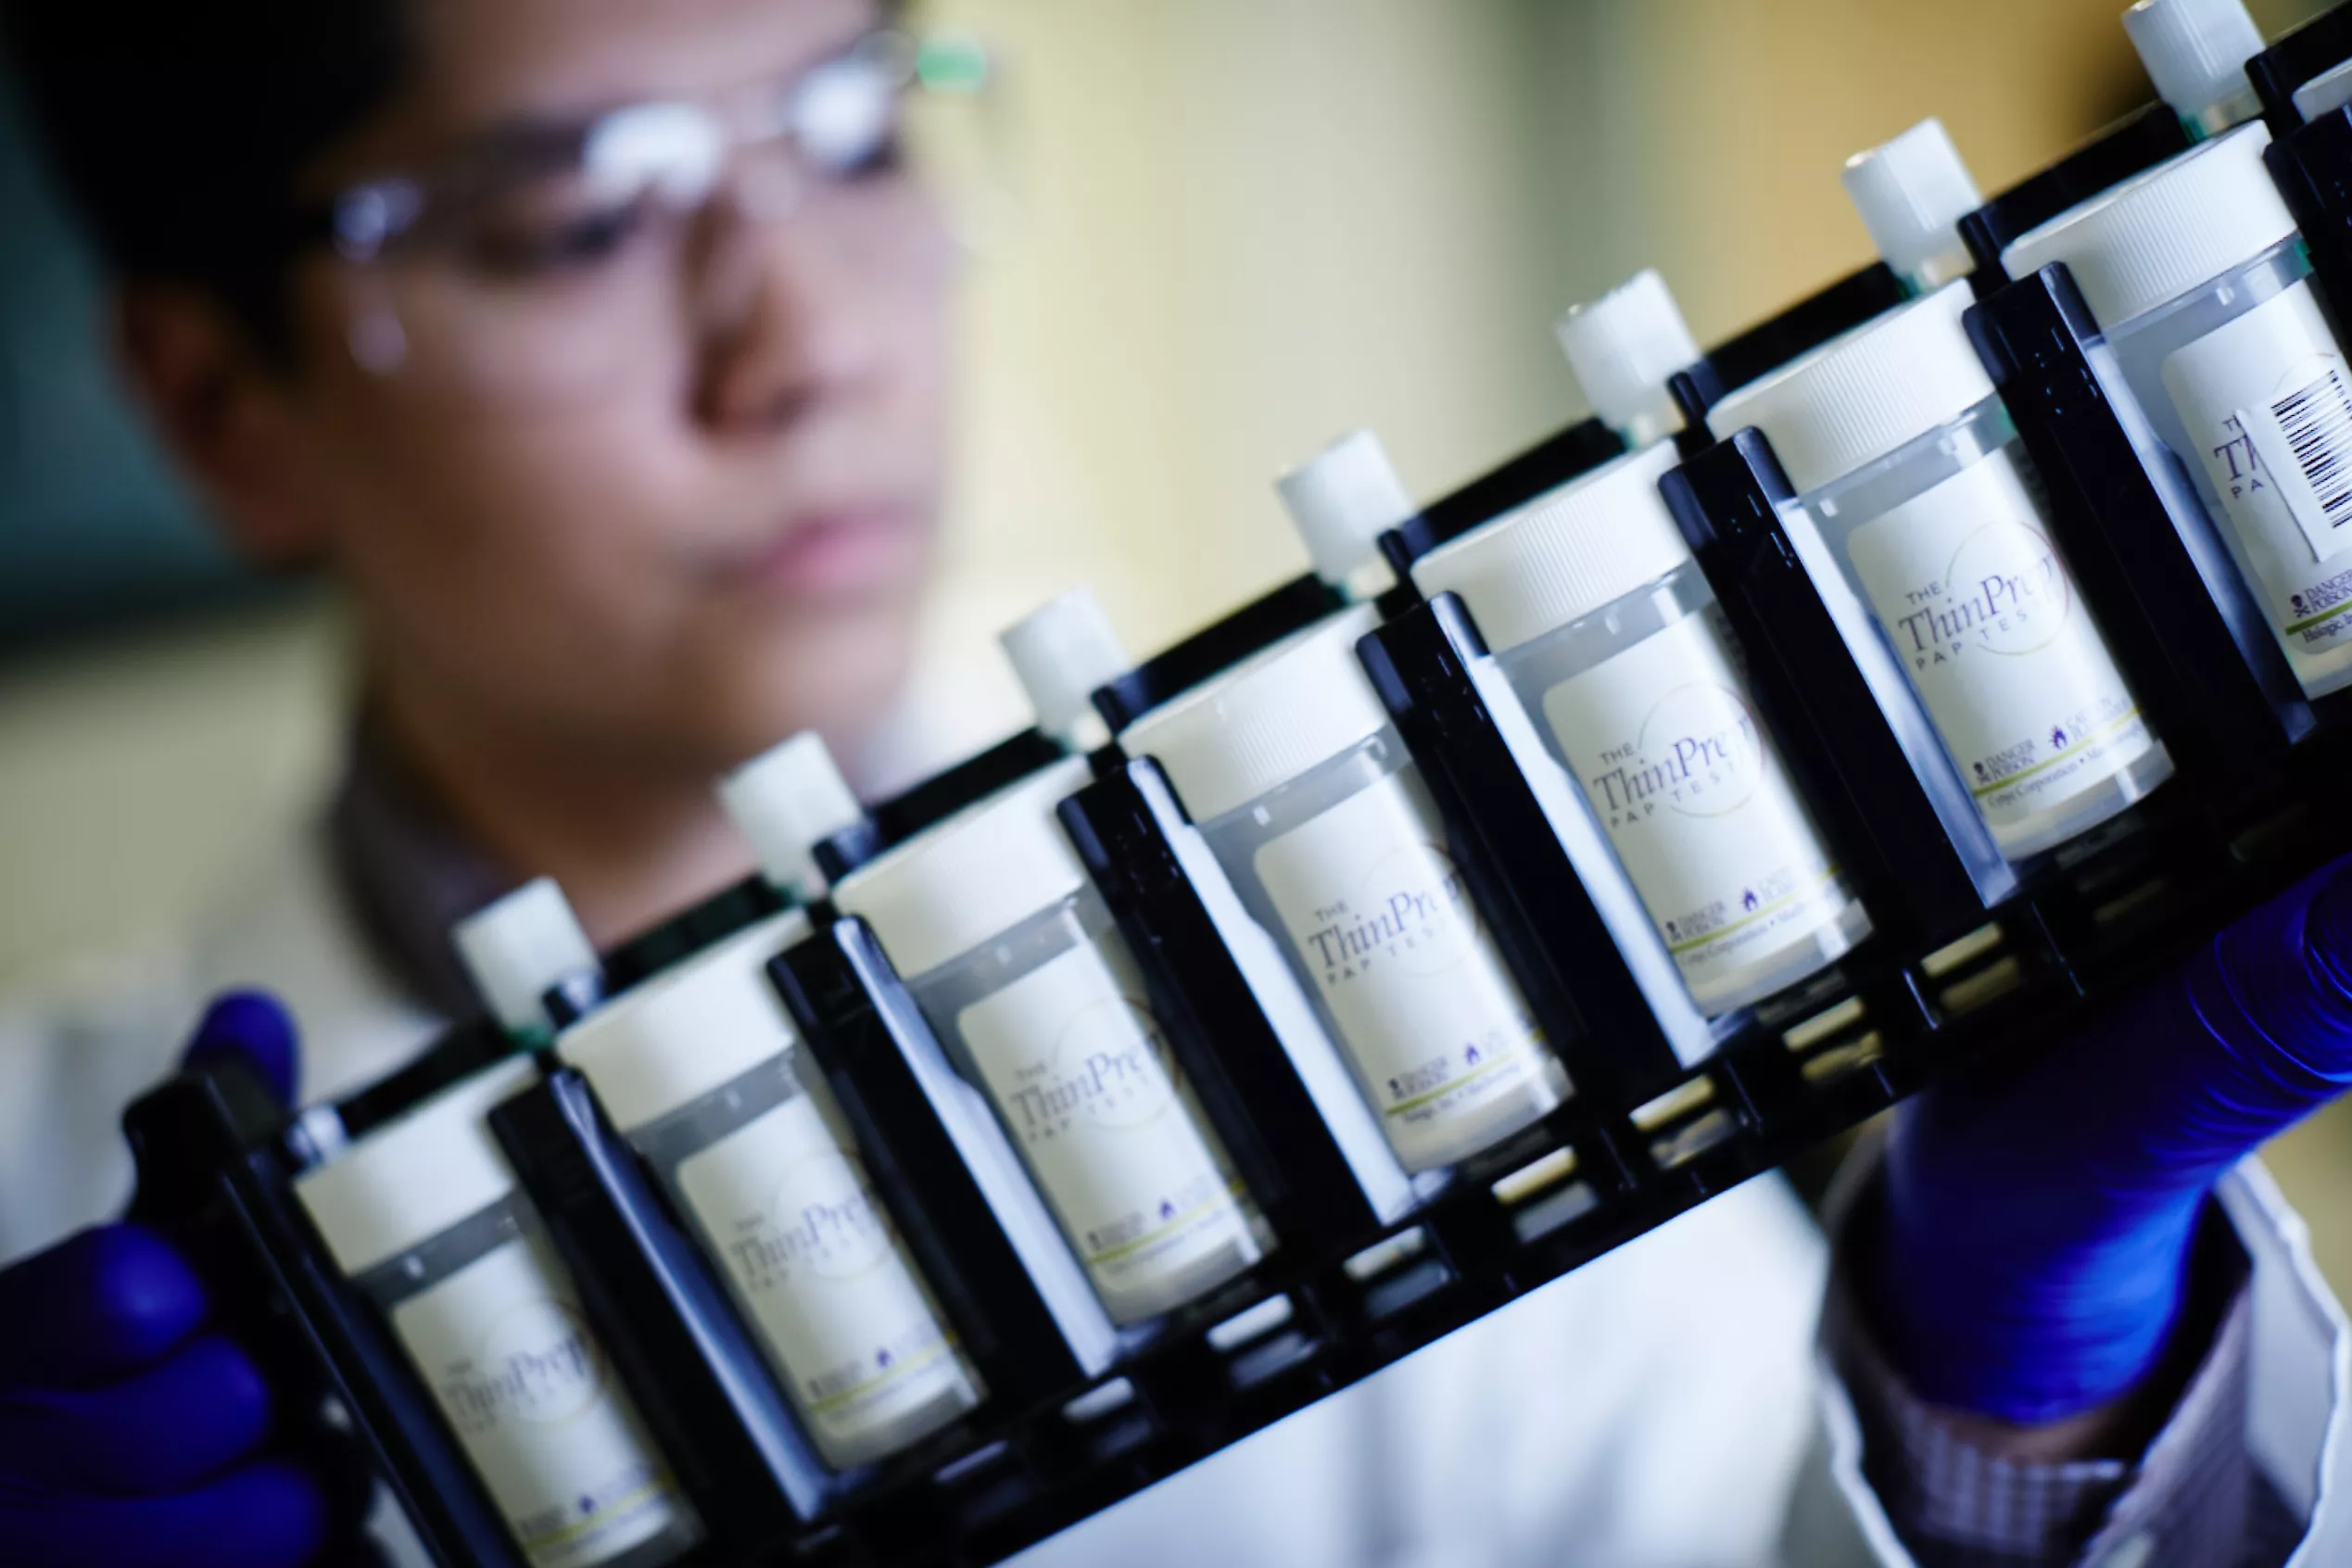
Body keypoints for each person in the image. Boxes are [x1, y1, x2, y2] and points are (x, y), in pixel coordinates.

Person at [0, 1, 2341, 1564]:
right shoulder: (54, 1304)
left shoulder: (1389, 990)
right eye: (569, 217)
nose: (807, 339)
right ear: (220, 405)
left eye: (850, 130)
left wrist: (2023, 1379)